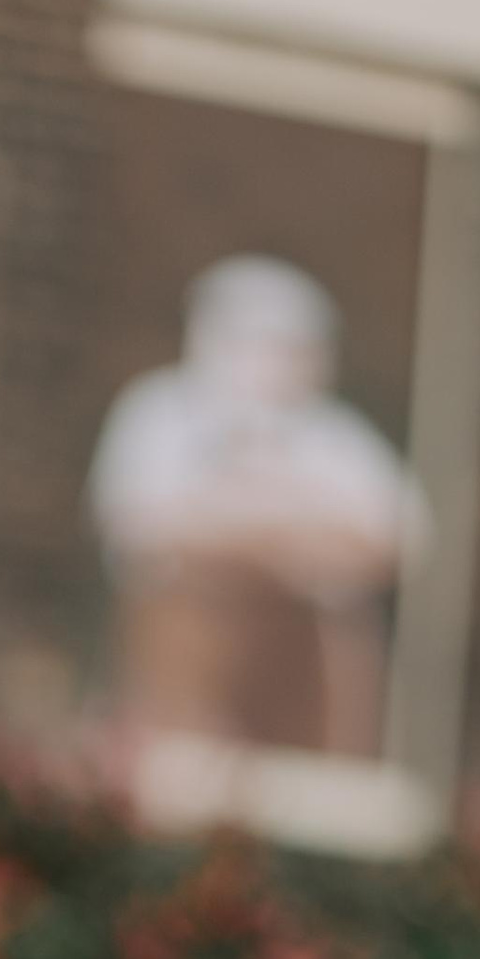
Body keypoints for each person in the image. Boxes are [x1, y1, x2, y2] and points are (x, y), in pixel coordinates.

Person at [88, 255, 429, 764]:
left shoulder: (336, 439)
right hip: (185, 652)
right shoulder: (158, 412)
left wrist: (249, 534)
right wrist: (284, 542)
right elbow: (135, 524)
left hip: (307, 676)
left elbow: (400, 537)